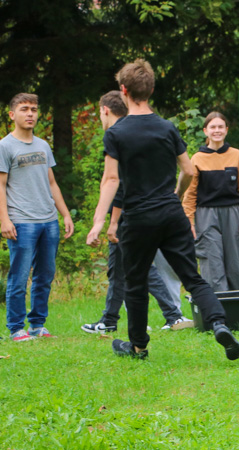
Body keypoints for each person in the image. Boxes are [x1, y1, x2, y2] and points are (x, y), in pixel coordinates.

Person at [85, 59, 239, 362]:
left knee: (135, 282)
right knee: (193, 277)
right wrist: (176, 195)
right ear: (152, 89)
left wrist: (98, 222)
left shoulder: (116, 133)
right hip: (172, 214)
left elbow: (111, 179)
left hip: (138, 218)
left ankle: (139, 346)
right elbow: (188, 170)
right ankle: (219, 323)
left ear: (123, 90)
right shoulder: (166, 127)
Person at [81, 90, 195, 334]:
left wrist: (111, 222)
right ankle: (110, 319)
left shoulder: (119, 134)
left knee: (138, 269)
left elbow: (119, 184)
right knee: (120, 269)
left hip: (131, 216)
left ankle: (172, 315)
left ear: (105, 110)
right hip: (149, 212)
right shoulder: (136, 129)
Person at [0, 93, 74, 342]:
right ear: (12, 115)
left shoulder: (43, 145)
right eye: (24, 109)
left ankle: (37, 325)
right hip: (21, 221)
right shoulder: (5, 146)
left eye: (33, 109)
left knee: (45, 275)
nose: (30, 113)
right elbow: (0, 185)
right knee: (19, 277)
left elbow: (52, 183)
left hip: (49, 221)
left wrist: (64, 214)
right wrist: (4, 220)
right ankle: (15, 328)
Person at [182, 112, 239, 291]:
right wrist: (189, 220)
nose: (217, 130)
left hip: (233, 214)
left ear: (226, 130)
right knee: (212, 262)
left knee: (234, 262)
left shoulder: (236, 155)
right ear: (205, 131)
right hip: (206, 215)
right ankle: (217, 312)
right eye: (213, 127)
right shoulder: (197, 158)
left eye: (220, 127)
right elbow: (190, 194)